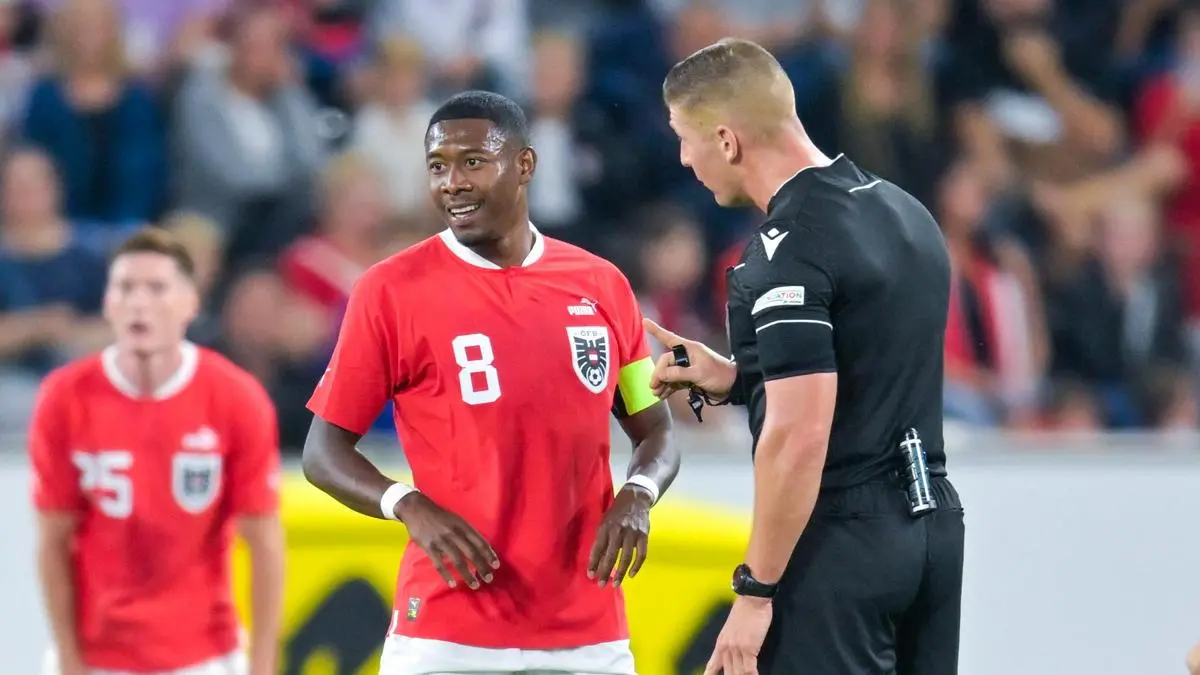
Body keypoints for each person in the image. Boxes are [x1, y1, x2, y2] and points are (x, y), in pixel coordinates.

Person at [301, 90, 678, 675]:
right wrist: (409, 505)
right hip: (447, 633)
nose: (452, 182)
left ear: (524, 165)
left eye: (472, 162)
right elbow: (322, 453)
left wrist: (640, 494)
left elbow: (656, 430)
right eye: (437, 166)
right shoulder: (389, 291)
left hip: (589, 634)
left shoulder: (602, 286)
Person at [646, 38, 965, 675]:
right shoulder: (902, 210)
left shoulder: (787, 249)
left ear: (727, 141)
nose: (683, 158)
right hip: (933, 528)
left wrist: (755, 591)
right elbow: (872, 367)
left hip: (841, 542)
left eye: (685, 137)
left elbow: (798, 436)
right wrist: (739, 379)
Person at [28, 228, 285, 675]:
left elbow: (264, 542)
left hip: (204, 655)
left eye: (157, 288)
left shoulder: (236, 399)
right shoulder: (64, 398)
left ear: (191, 303)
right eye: (125, 288)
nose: (139, 303)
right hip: (96, 656)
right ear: (107, 303)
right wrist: (68, 657)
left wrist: (262, 665)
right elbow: (53, 541)